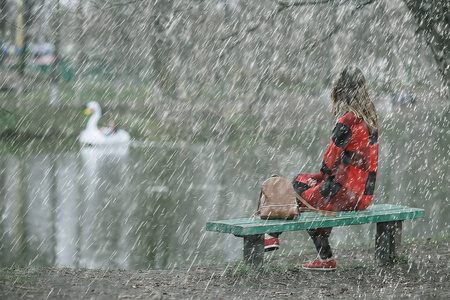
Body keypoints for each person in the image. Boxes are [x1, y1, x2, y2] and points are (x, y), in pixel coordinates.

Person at [264, 66, 379, 271]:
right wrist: (323, 176)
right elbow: (353, 162)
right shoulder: (371, 120)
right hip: (364, 194)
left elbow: (329, 160)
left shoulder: (347, 121)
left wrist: (323, 174)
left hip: (345, 193)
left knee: (299, 193)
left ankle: (274, 236)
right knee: (301, 181)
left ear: (340, 91)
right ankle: (321, 257)